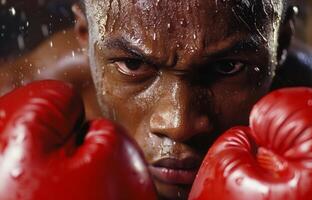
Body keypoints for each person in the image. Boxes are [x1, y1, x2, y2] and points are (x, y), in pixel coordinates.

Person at [72, 1, 295, 199]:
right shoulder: (51, 90)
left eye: (226, 67)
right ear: (84, 35)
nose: (178, 126)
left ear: (281, 45)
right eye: (134, 64)